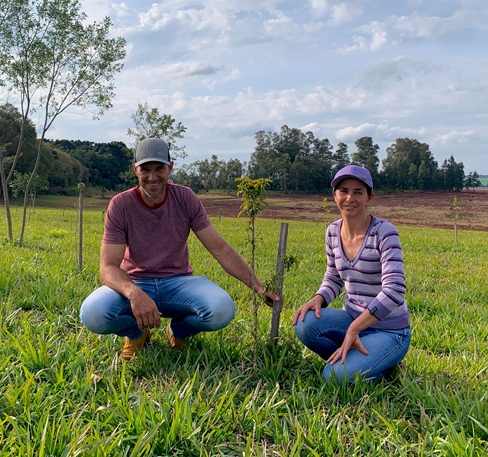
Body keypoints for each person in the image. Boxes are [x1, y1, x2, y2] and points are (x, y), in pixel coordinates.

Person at [80, 138, 280, 361]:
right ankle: (137, 333)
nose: (153, 177)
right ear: (135, 169)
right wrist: (134, 293)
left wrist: (260, 288)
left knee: (221, 309)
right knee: (92, 313)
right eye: (145, 169)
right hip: (136, 282)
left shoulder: (185, 198)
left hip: (178, 282)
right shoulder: (121, 204)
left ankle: (178, 331)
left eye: (159, 169)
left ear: (171, 167)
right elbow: (108, 266)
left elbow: (220, 248)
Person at [292, 164, 411, 382]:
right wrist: (319, 298)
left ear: (369, 197)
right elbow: (334, 277)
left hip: (389, 331)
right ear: (335, 195)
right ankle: (360, 361)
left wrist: (355, 328)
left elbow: (395, 290)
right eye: (344, 191)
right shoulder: (332, 232)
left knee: (333, 378)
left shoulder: (385, 233)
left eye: (358, 192)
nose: (350, 198)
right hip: (351, 318)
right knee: (304, 323)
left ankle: (379, 364)